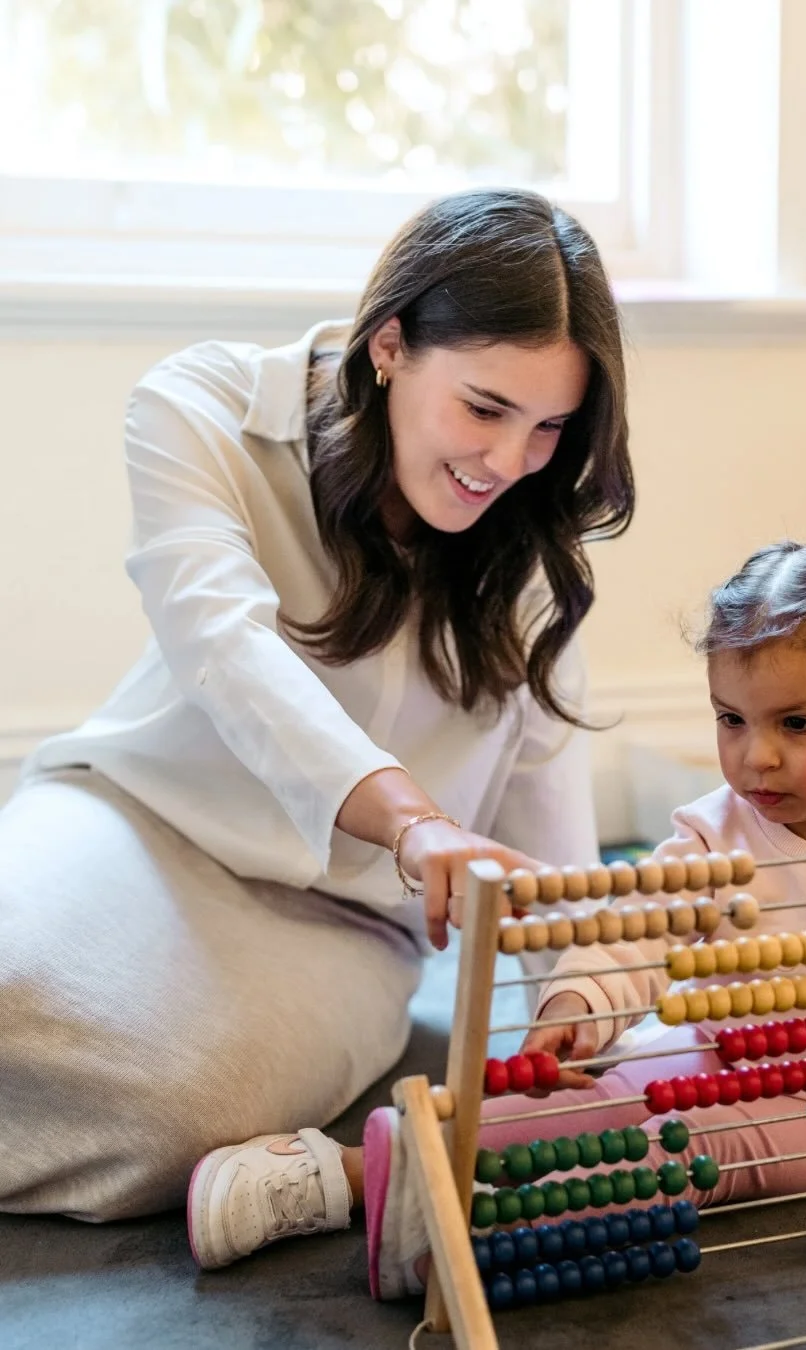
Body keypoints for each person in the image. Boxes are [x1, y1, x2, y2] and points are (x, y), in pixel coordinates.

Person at [192, 541, 806, 1294]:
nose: (756, 756)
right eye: (731, 719)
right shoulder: (717, 831)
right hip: (716, 1052)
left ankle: (450, 1224)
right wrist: (577, 1009)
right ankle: (364, 1174)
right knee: (589, 1093)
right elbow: (638, 932)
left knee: (668, 1152)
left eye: (798, 724)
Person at [0, 187, 634, 1229]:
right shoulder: (202, 407)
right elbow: (222, 642)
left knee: (179, 1117)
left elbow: (550, 861)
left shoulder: (527, 557)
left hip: (346, 921)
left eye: (550, 428)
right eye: (485, 409)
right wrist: (412, 819)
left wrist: (572, 1001)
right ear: (390, 344)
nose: (510, 463)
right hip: (136, 818)